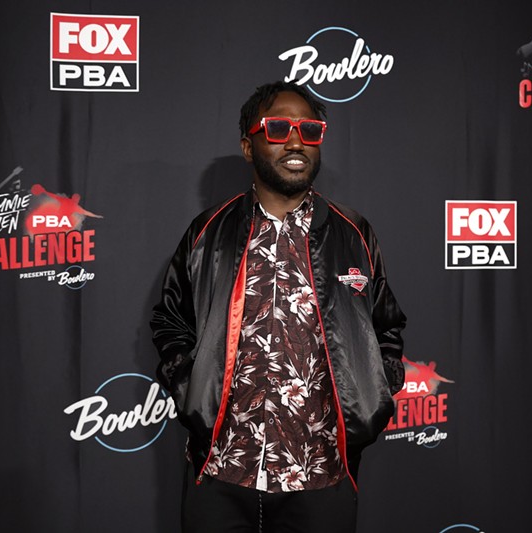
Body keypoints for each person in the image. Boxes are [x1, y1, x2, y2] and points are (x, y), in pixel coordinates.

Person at [149, 80, 406, 533]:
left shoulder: (354, 233)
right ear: (248, 146)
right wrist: (191, 390)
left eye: (309, 130)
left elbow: (386, 329)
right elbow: (171, 320)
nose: (295, 140)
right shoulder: (208, 231)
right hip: (221, 473)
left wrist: (370, 406)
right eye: (278, 127)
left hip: (323, 477)